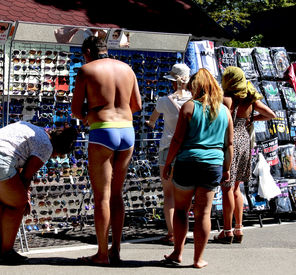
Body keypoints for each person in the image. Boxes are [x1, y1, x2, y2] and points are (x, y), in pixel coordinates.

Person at [71, 36, 142, 265]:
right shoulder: (127, 69)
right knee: (117, 194)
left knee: (102, 196)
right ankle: (116, 250)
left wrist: (89, 115)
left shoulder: (86, 70)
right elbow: (137, 106)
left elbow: (75, 110)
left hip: (103, 130)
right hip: (127, 131)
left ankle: (102, 254)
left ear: (88, 51)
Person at [0, 121, 77, 264]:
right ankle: (6, 252)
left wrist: (25, 195)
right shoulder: (46, 147)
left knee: (5, 201)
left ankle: (1, 249)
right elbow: (26, 176)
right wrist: (25, 199)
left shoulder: (35, 130)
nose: (54, 157)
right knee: (18, 203)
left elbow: (18, 164)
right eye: (58, 155)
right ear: (59, 148)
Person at [162, 68, 233, 268]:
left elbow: (177, 139)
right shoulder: (224, 111)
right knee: (204, 213)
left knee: (182, 210)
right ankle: (198, 259)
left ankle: (177, 253)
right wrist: (226, 168)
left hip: (187, 162)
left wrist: (168, 163)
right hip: (213, 165)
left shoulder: (189, 107)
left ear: (196, 87)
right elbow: (229, 144)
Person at [214, 66, 276, 244]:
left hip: (229, 142)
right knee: (236, 188)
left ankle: (227, 231)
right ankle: (239, 227)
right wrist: (254, 118)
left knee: (226, 187)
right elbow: (270, 114)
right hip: (244, 141)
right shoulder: (250, 97)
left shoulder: (226, 100)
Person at [146, 64, 192, 246]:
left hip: (168, 148)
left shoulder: (164, 101)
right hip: (189, 150)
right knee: (185, 194)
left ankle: (172, 233)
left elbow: (152, 121)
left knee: (169, 195)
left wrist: (153, 124)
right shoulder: (195, 100)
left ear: (173, 82)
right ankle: (184, 231)